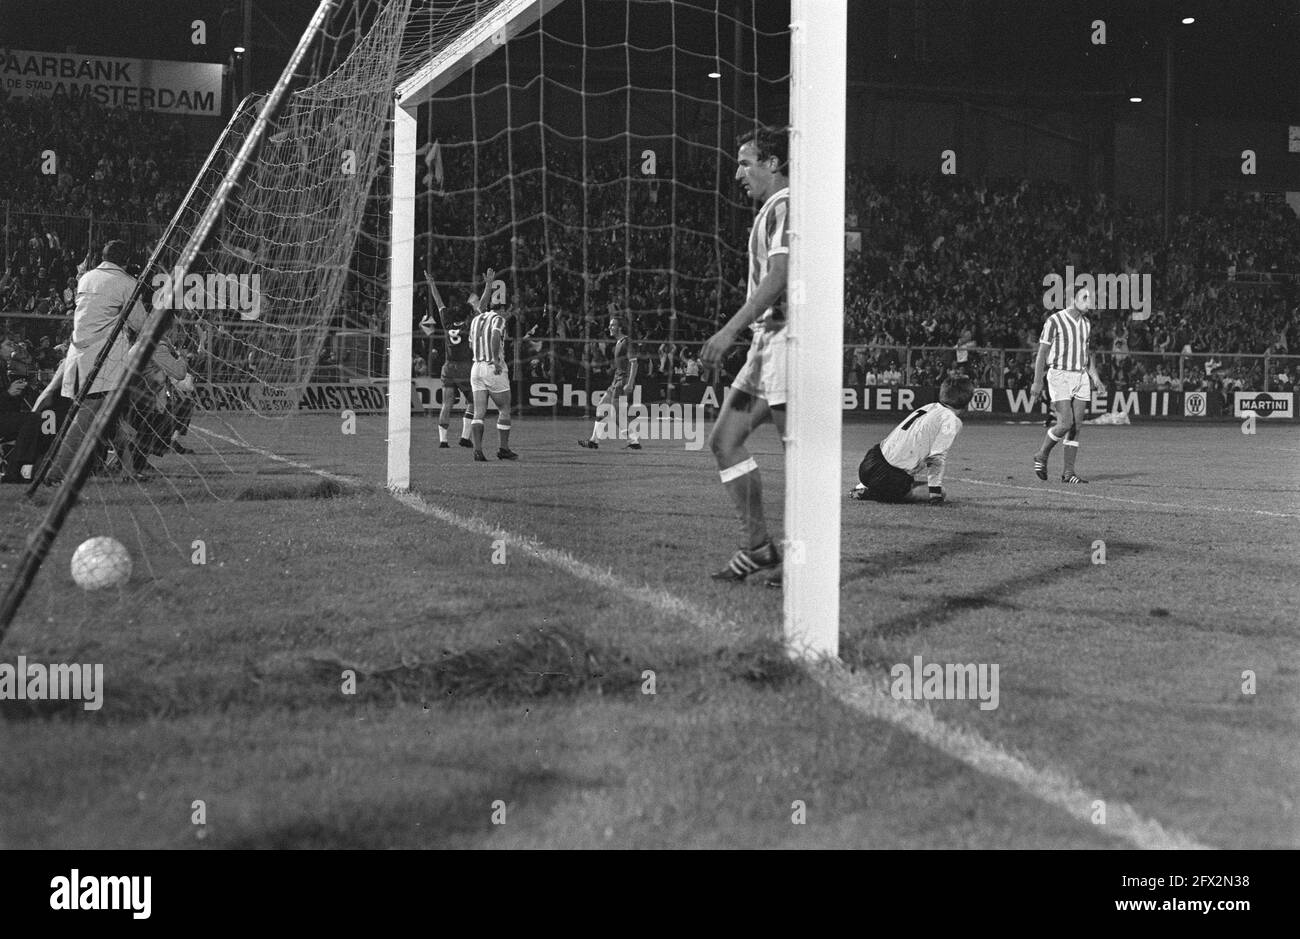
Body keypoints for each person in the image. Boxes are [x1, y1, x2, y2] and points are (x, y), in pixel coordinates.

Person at [700, 126, 789, 583]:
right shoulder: (772, 209)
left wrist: (727, 331)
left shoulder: (787, 203)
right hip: (765, 344)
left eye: (745, 161)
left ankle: (800, 562)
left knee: (802, 456)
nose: (738, 172)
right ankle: (760, 548)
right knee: (724, 440)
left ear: (773, 163)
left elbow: (779, 276)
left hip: (790, 344)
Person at [47, 240, 149, 483]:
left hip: (79, 356)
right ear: (125, 260)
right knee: (85, 420)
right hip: (104, 362)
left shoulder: (86, 278)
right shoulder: (126, 283)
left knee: (113, 419)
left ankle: (128, 471)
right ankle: (55, 473)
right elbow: (141, 324)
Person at [849, 376, 974, 504]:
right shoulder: (952, 420)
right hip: (889, 476)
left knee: (908, 478)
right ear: (967, 401)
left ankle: (866, 485)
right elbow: (936, 457)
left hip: (870, 461)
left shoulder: (930, 406)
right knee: (942, 492)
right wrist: (936, 495)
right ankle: (873, 493)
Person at [1030, 286, 1105, 484]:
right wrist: (1037, 381)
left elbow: (1087, 354)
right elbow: (1042, 353)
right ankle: (1042, 454)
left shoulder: (1086, 323)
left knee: (1076, 426)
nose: (1091, 301)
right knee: (1065, 423)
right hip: (1060, 375)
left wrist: (1095, 377)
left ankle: (1068, 473)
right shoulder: (1054, 321)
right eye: (1086, 297)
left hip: (1080, 376)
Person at [420, 266, 484, 449]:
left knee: (447, 403)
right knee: (474, 402)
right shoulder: (470, 324)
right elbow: (481, 307)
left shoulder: (447, 322)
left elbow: (439, 302)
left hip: (448, 367)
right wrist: (485, 289)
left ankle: (443, 441)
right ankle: (465, 437)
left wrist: (431, 284)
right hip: (464, 367)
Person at [467, 268, 517, 462]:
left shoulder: (476, 319)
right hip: (492, 367)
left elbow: (471, 344)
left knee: (479, 412)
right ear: (503, 309)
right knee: (504, 408)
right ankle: (503, 449)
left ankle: (478, 450)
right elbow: (496, 335)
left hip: (476, 368)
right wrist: (495, 359)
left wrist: (488, 284)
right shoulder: (499, 319)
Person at [578, 315, 641, 450]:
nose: (609, 327)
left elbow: (634, 363)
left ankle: (633, 441)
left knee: (616, 415)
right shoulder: (618, 343)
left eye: (612, 325)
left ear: (620, 327)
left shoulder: (626, 342)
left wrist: (630, 383)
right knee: (601, 407)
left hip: (622, 382)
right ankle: (594, 441)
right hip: (615, 381)